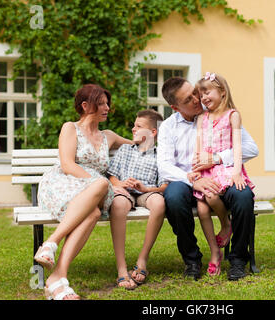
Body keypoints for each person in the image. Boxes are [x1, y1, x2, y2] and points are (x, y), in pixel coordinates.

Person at [35, 84, 132, 300]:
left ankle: (57, 276)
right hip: (63, 184)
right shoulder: (70, 128)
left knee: (94, 213)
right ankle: (51, 242)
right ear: (86, 105)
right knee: (100, 185)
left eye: (108, 103)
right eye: (101, 103)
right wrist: (98, 185)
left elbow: (138, 145)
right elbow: (68, 165)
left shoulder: (109, 136)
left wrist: (148, 132)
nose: (107, 107)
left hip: (91, 196)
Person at [158, 76, 259, 281]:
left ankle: (238, 259)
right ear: (175, 107)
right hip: (188, 179)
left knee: (242, 195)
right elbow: (164, 165)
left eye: (195, 93)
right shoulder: (168, 127)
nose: (197, 99)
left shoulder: (219, 114)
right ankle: (192, 260)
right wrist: (193, 180)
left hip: (220, 174)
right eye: (188, 100)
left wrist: (216, 158)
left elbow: (250, 148)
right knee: (174, 197)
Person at [187, 72, 255, 276]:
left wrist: (236, 173)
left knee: (240, 197)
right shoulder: (202, 118)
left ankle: (237, 259)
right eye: (201, 94)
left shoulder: (233, 115)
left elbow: (238, 147)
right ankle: (227, 225)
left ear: (222, 92)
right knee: (206, 199)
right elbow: (198, 148)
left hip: (226, 170)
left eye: (207, 92)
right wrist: (195, 172)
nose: (203, 98)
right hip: (207, 170)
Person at [107, 109, 168, 289]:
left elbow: (164, 186)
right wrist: (121, 184)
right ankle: (121, 268)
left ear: (152, 132)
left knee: (159, 202)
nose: (133, 129)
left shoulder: (160, 155)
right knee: (118, 203)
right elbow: (111, 176)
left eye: (138, 126)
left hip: (146, 191)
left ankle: (142, 260)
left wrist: (146, 188)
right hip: (124, 192)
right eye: (134, 125)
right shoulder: (125, 150)